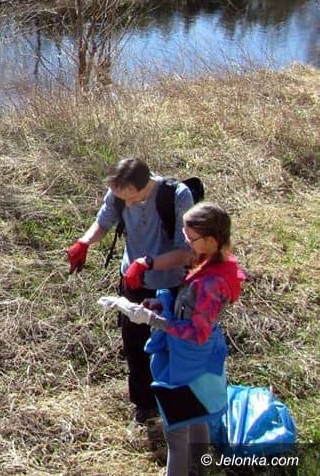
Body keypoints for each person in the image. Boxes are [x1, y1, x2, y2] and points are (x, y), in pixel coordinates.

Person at [99, 203, 244, 476]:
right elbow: (189, 309)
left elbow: (196, 332)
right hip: (196, 364)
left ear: (211, 240)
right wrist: (161, 304)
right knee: (198, 421)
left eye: (191, 238)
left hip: (188, 367)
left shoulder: (210, 284)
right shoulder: (209, 264)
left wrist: (153, 321)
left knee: (177, 436)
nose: (186, 243)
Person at [67, 158, 194, 423]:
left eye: (133, 199)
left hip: (170, 284)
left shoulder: (176, 196)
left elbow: (186, 252)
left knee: (173, 346)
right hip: (133, 282)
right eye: (123, 200)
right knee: (135, 344)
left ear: (145, 184)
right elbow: (104, 222)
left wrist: (148, 263)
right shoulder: (119, 193)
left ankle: (175, 405)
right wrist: (84, 242)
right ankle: (144, 404)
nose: (129, 205)